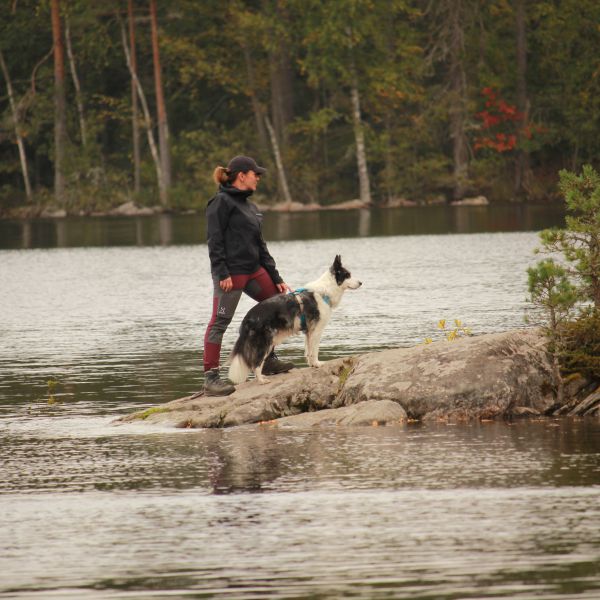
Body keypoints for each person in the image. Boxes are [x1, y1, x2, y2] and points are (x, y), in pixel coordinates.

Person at [202, 155, 294, 396]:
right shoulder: (220, 203)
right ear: (242, 175)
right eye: (256, 174)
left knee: (279, 306)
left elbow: (261, 246)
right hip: (231, 276)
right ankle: (210, 378)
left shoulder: (251, 207)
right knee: (219, 322)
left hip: (255, 271)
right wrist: (222, 271)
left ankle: (268, 359)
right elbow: (215, 241)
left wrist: (276, 277)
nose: (259, 178)